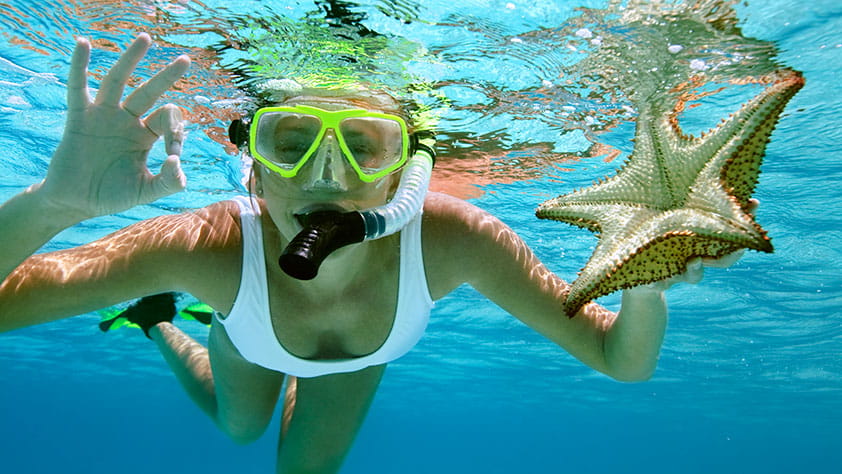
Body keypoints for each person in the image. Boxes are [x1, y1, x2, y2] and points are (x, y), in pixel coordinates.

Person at [0, 34, 740, 474]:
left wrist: (647, 282)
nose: (328, 176)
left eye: (363, 144)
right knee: (240, 427)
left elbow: (622, 361)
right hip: (246, 317)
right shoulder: (212, 246)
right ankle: (160, 320)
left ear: (405, 170)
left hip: (353, 358)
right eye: (289, 142)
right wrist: (53, 205)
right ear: (252, 166)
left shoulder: (453, 239)